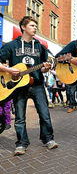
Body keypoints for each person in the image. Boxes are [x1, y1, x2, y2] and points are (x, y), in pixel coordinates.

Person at [0, 16, 58, 156]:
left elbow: (44, 68)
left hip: (37, 85)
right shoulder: (11, 45)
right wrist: (8, 70)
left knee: (44, 114)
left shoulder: (40, 47)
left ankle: (48, 139)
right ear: (23, 27)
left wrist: (46, 68)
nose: (35, 28)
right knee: (20, 117)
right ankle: (21, 144)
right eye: (32, 25)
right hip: (18, 87)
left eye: (35, 26)